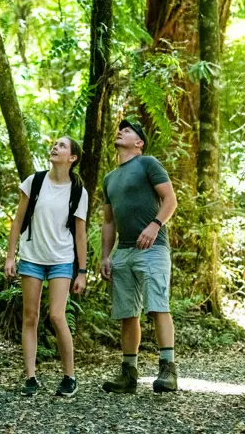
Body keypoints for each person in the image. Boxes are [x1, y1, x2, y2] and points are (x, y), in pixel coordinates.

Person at [4, 137, 89, 398]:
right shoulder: (35, 181)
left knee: (57, 316)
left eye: (62, 146)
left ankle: (69, 377)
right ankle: (30, 378)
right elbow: (18, 221)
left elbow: (80, 234)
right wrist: (10, 256)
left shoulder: (78, 191)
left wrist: (82, 271)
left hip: (61, 259)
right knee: (30, 316)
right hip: (32, 257)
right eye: (54, 144)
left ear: (72, 158)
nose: (55, 147)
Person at [99, 120, 179, 393]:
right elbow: (109, 221)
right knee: (127, 313)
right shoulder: (109, 178)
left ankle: (168, 370)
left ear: (139, 142)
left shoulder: (148, 164)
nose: (121, 131)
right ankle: (128, 374)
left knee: (158, 305)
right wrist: (105, 256)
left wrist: (155, 225)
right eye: (120, 129)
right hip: (123, 251)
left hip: (152, 248)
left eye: (128, 130)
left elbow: (170, 200)